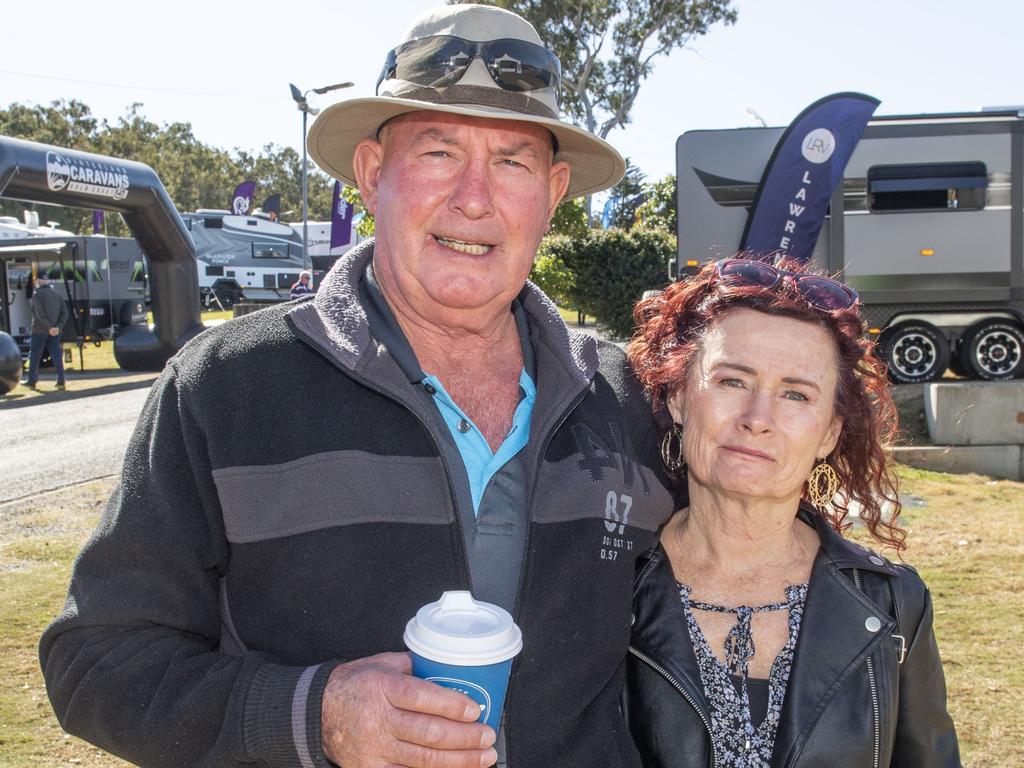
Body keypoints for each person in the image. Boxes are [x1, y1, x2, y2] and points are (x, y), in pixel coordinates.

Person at [39, 5, 676, 768]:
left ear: (553, 190)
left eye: (512, 161)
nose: (475, 197)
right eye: (439, 152)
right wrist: (316, 716)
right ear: (373, 175)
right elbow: (97, 665)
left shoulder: (627, 400)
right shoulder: (224, 389)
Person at [624, 257, 961, 767]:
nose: (759, 419)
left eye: (796, 394)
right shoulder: (604, 587)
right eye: (733, 381)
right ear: (677, 397)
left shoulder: (893, 605)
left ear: (828, 433)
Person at [22, 273, 68, 391]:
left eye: (36, 279)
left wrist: (49, 328)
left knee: (35, 356)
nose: (35, 281)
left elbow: (39, 315)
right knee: (56, 356)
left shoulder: (37, 294)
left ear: (39, 281)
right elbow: (65, 313)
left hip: (39, 331)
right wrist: (57, 327)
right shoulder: (57, 295)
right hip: (56, 331)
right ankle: (61, 381)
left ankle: (32, 381)